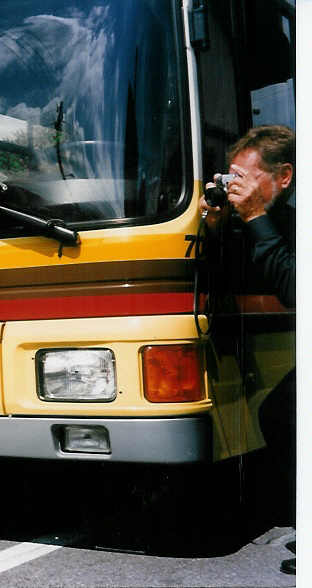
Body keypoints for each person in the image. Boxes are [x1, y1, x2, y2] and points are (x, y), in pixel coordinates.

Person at [200, 124, 295, 574]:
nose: (234, 187)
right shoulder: (247, 221)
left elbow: (294, 286)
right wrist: (214, 227)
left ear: (284, 177)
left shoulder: (289, 221)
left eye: (245, 178)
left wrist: (256, 217)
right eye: (230, 177)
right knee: (279, 414)